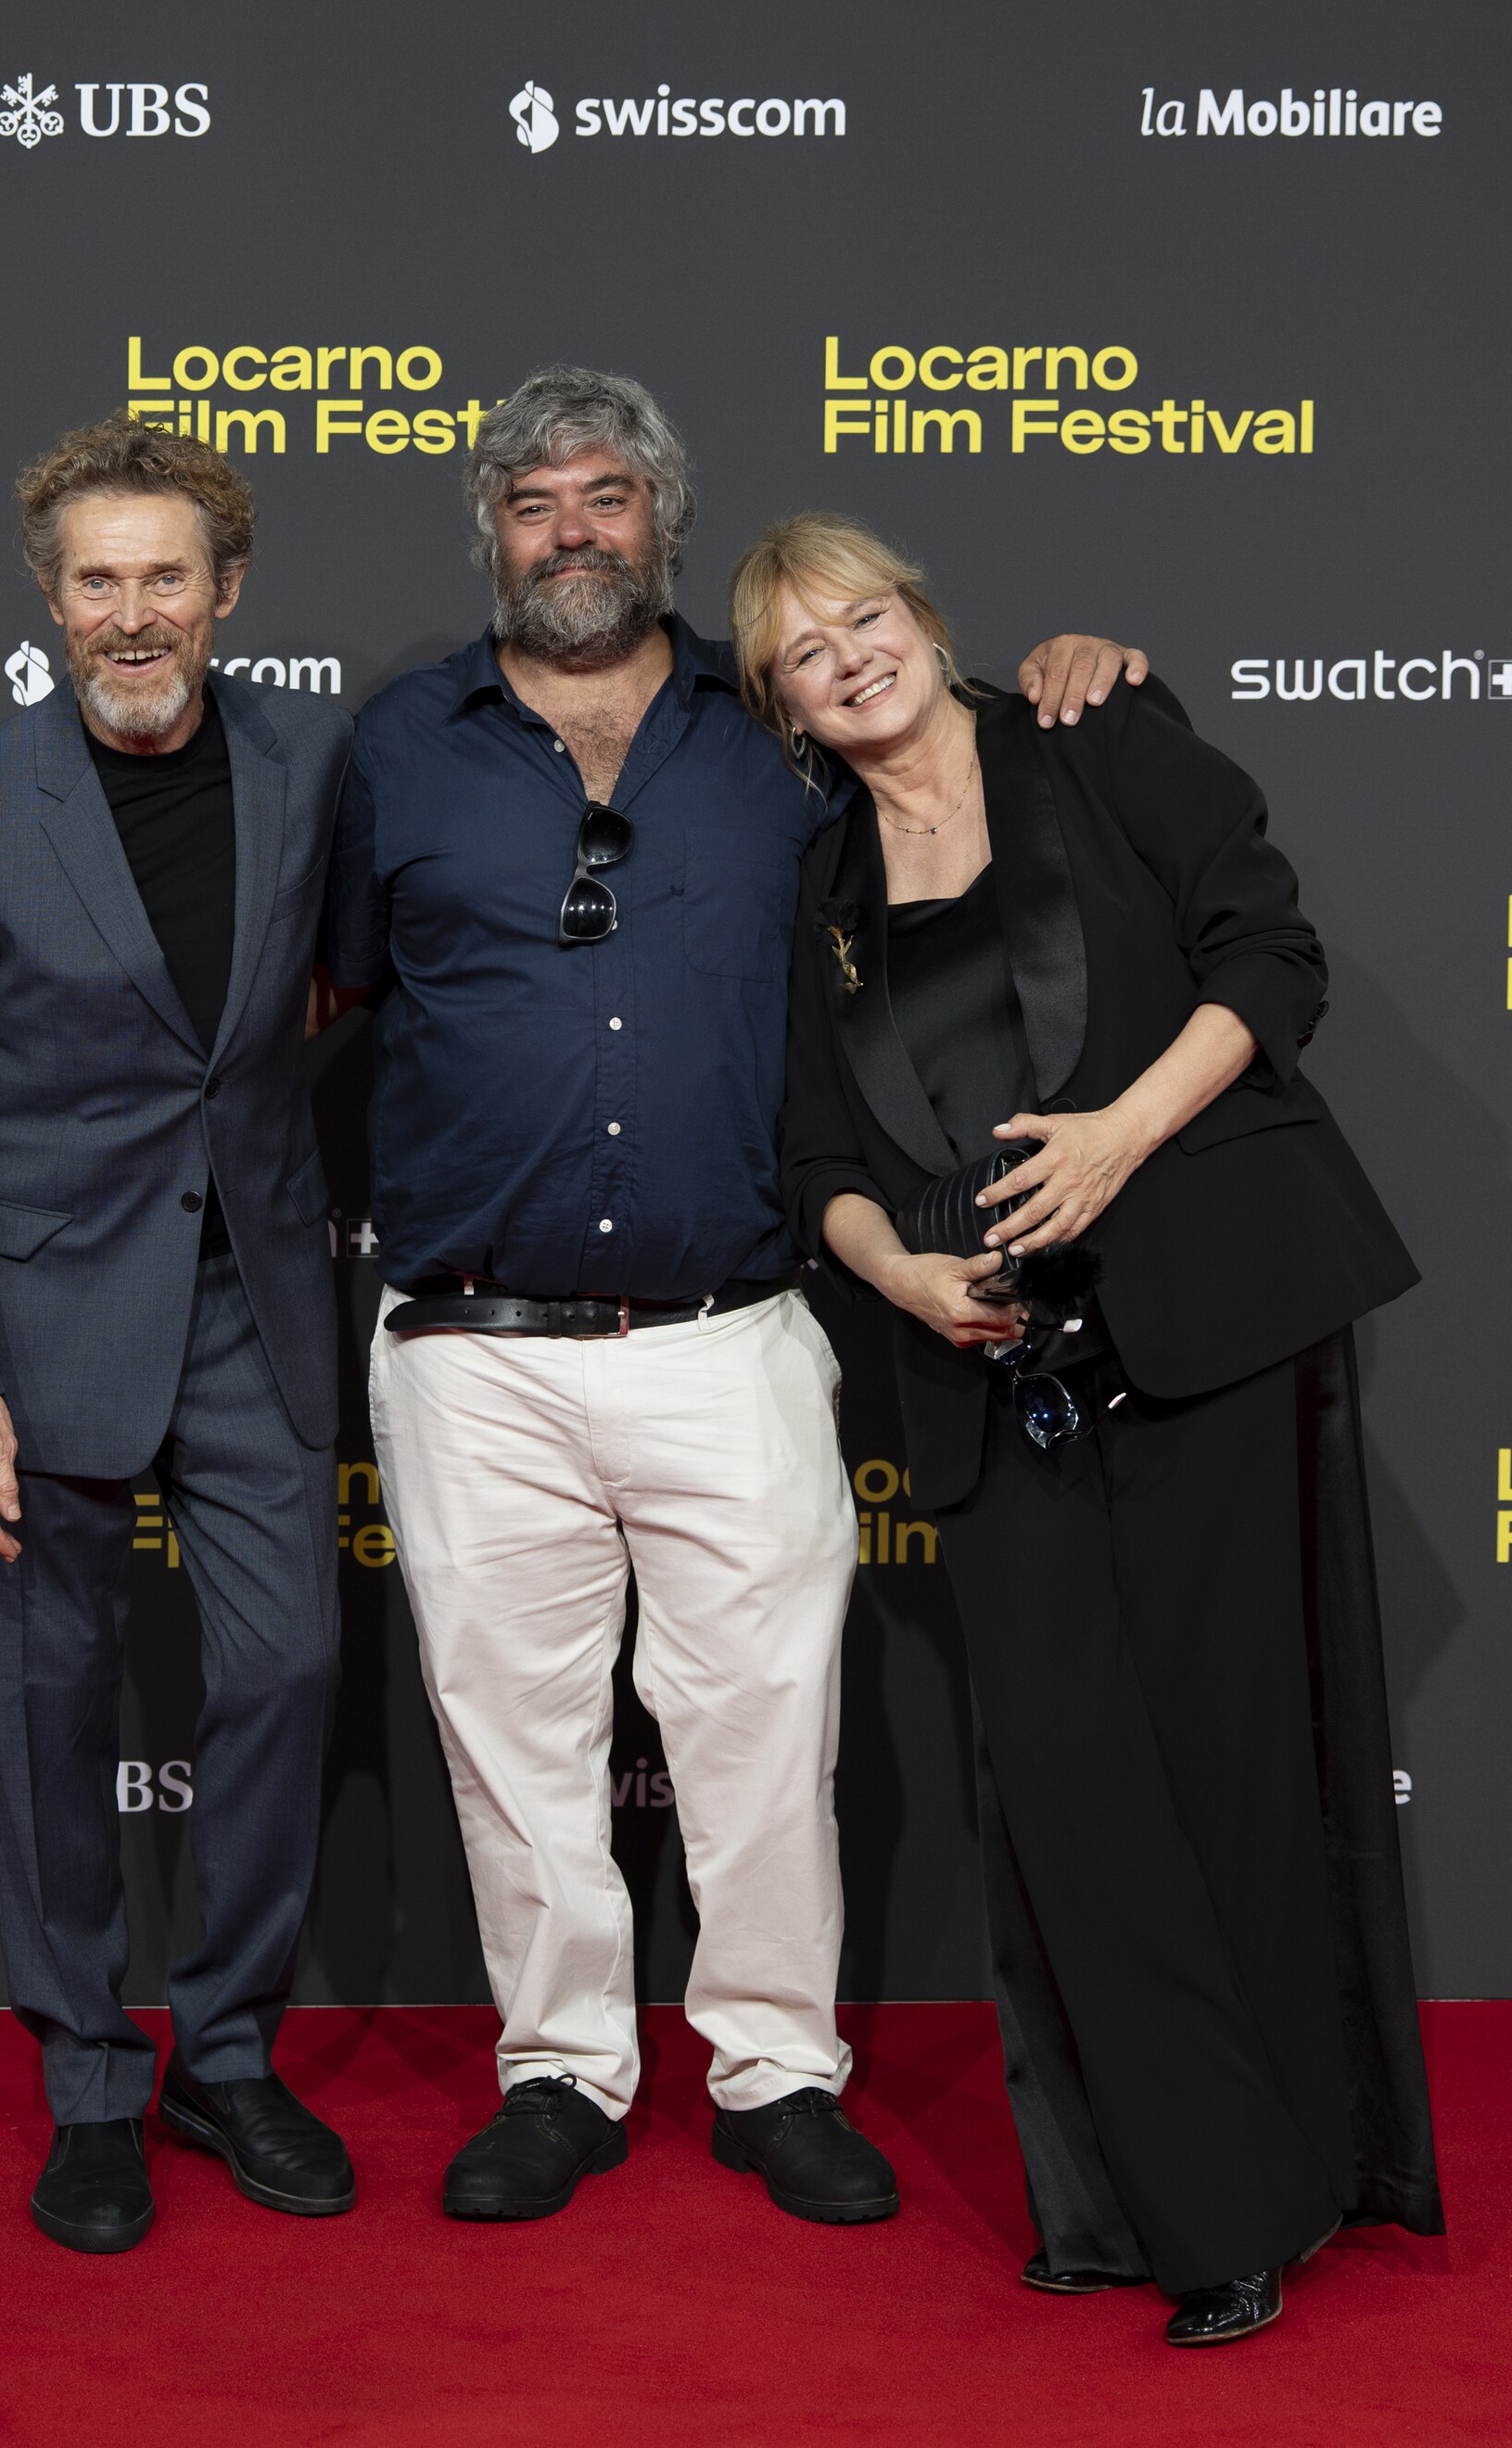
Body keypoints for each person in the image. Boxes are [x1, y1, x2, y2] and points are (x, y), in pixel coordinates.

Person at [326, 363, 1142, 2225]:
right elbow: (337, 996)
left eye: (605, 498)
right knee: (514, 1743)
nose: (571, 535)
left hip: (732, 1330)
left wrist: (1079, 672)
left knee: (768, 1729)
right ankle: (561, 2074)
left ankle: (778, 2070)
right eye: (533, 506)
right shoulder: (402, 746)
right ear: (492, 535)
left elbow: (958, 768)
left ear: (662, 521)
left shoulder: (771, 735)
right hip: (470, 1345)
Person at [747, 509, 1443, 2342]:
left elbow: (1266, 959)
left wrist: (1126, 1132)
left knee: (1227, 1767)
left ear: (923, 616)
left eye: (869, 617)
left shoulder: (1093, 733)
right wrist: (897, 1276)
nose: (852, 658)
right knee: (1070, 1791)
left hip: (1201, 1320)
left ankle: (1271, 2195)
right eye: (806, 654)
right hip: (991, 1381)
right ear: (787, 707)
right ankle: (1202, 2196)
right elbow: (817, 1154)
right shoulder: (816, 894)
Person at [0, 414, 354, 2253]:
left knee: (289, 1672)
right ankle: (87, 2083)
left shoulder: (312, 766)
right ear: (52, 602)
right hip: (39, 1316)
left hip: (258, 1309)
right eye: (96, 581)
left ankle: (227, 2053)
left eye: (164, 578)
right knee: (47, 1712)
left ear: (226, 593)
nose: (130, 615)